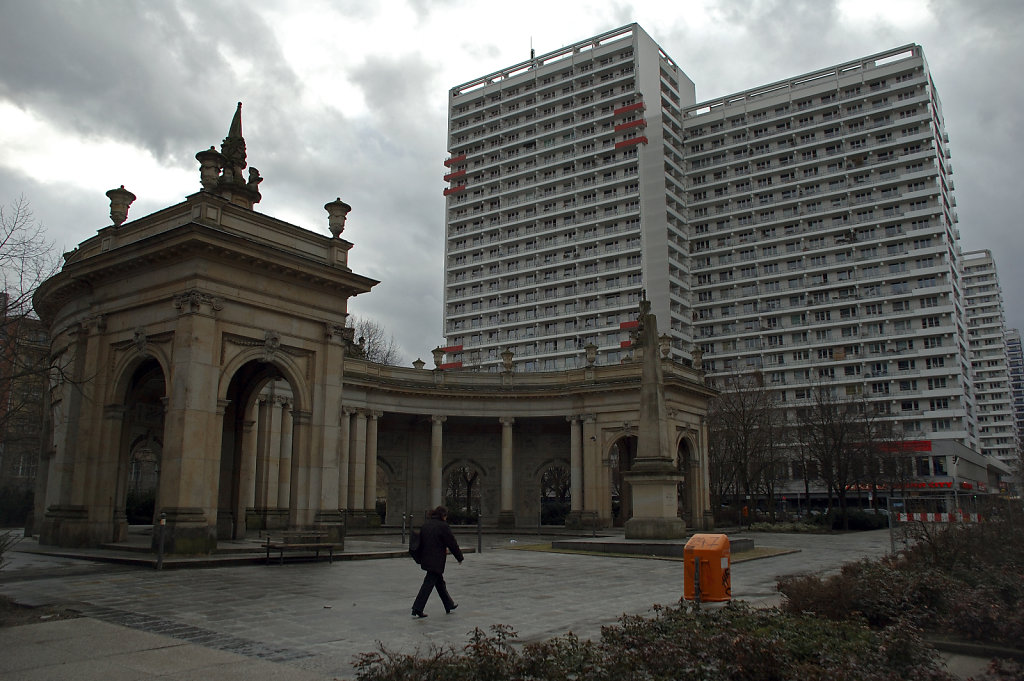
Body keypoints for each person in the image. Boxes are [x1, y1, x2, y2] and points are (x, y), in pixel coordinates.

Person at [410, 506, 464, 618]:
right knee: (428, 583)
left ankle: (448, 604)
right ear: (443, 515)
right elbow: (452, 543)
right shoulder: (443, 526)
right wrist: (459, 557)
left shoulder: (426, 524)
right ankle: (417, 608)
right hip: (436, 560)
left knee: (439, 583)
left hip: (426, 558)